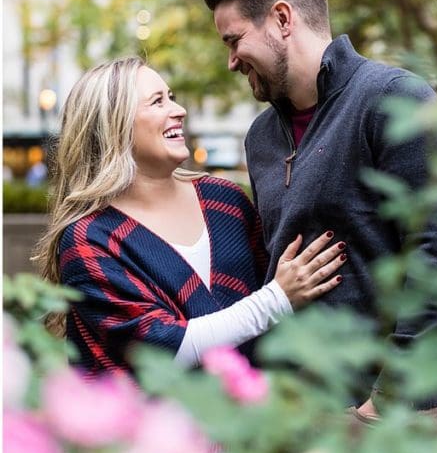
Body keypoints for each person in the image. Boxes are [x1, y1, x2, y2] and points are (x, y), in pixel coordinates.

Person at [205, 0, 437, 453]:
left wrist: (381, 405)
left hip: (392, 423)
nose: (230, 60)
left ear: (282, 19)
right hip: (296, 422)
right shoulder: (261, 138)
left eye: (234, 40)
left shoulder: (395, 100)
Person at [36, 57, 346, 375]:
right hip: (153, 424)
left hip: (257, 418)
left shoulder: (226, 202)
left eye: (171, 97)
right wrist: (277, 299)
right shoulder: (89, 239)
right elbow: (165, 348)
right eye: (157, 102)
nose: (179, 110)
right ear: (113, 126)